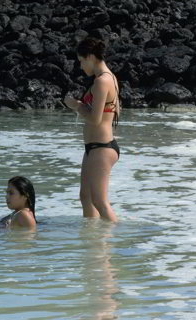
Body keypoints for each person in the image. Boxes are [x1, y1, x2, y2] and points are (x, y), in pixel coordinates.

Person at [63, 37, 120, 223]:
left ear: (90, 57)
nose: (81, 66)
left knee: (99, 201)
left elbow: (95, 119)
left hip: (102, 147)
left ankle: (116, 238)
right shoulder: (108, 77)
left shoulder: (102, 81)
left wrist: (76, 105)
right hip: (95, 147)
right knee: (86, 198)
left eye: (81, 61)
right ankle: (93, 242)